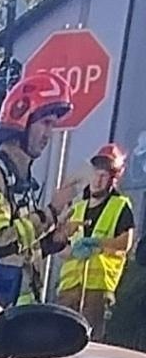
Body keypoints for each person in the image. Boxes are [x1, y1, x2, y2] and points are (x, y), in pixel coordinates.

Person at [0, 72, 79, 308]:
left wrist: (51, 242)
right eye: (45, 123)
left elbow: (18, 253)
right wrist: (51, 213)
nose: (49, 135)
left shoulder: (20, 183)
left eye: (53, 126)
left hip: (15, 316)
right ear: (21, 119)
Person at [56, 144, 136, 340]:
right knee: (59, 342)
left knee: (90, 343)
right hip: (69, 288)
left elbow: (125, 243)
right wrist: (72, 251)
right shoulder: (78, 206)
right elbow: (59, 244)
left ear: (113, 179)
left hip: (97, 291)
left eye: (105, 175)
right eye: (97, 172)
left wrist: (97, 244)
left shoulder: (120, 206)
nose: (99, 179)